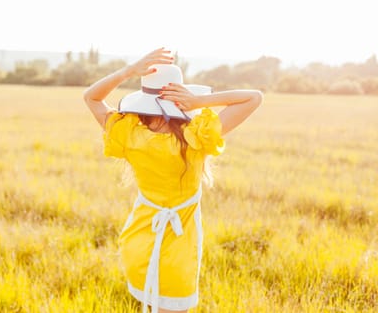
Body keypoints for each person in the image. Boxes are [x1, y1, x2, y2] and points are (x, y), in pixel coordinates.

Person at [83, 47, 263, 313]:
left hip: (139, 239)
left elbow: (92, 98)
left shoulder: (128, 133)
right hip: (178, 249)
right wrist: (199, 102)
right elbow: (254, 98)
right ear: (179, 99)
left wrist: (129, 71)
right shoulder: (196, 136)